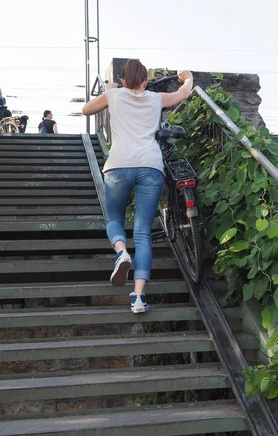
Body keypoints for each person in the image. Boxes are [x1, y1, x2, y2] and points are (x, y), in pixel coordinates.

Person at [82, 59, 193, 314]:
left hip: (119, 166)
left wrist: (108, 90)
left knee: (113, 220)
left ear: (123, 81)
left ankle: (121, 252)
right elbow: (182, 93)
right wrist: (187, 77)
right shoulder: (155, 99)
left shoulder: (115, 95)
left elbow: (87, 110)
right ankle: (139, 297)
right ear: (145, 81)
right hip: (150, 166)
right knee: (142, 232)